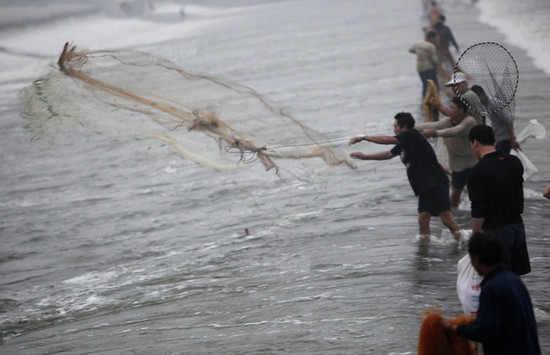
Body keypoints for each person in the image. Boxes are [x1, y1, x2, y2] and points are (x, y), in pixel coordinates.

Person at [349, 112, 462, 240]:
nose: (394, 129)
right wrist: (364, 157)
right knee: (423, 219)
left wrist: (364, 137)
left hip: (435, 182)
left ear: (404, 127)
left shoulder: (411, 135)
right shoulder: (404, 141)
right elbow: (388, 154)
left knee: (446, 219)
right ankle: (424, 253)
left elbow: (388, 140)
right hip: (424, 185)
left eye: (396, 126)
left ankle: (464, 243)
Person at [442, 230, 541, 355]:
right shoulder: (514, 280)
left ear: (476, 260)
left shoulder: (491, 288)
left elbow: (487, 332)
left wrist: (453, 328)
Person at [467, 124, 531, 275]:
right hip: (517, 228)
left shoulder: (478, 171)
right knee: (515, 277)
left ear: (475, 143)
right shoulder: (514, 162)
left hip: (496, 234)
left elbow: (478, 212)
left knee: (499, 277)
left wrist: (475, 242)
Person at [416, 97, 477, 208]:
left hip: (473, 163)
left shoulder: (469, 121)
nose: (449, 110)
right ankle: (455, 216)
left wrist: (434, 133)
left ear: (461, 110)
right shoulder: (448, 121)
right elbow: (432, 125)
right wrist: (411, 127)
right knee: (455, 194)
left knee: (480, 191)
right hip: (457, 165)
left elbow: (456, 131)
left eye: (452, 108)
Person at [470, 84, 519, 154]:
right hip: (497, 140)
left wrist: (512, 139)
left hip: (505, 140)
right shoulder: (485, 105)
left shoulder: (494, 103)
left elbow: (508, 120)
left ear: (482, 94)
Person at [409, 31, 439, 100]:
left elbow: (410, 50)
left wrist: (419, 53)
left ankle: (424, 100)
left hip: (420, 68)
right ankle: (436, 99)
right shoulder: (431, 46)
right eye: (435, 38)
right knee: (434, 85)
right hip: (429, 68)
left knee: (425, 85)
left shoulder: (418, 43)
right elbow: (435, 60)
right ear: (432, 38)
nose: (436, 40)